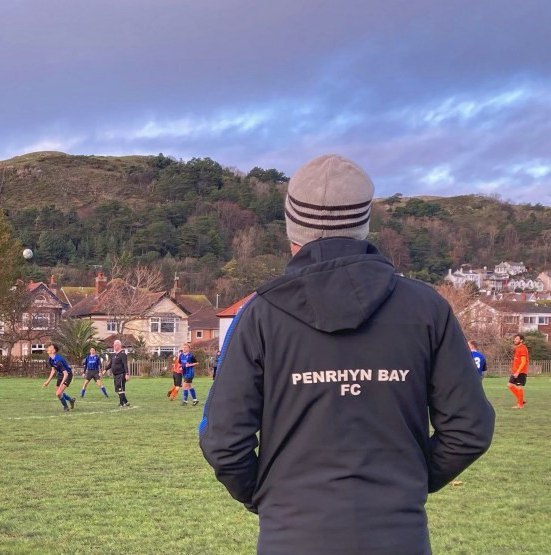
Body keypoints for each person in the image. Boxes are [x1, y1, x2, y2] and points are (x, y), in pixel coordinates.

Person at [199, 154, 495, 555]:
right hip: (399, 535)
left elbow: (222, 440)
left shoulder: (259, 314)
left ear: (292, 228)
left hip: (292, 535)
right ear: (364, 223)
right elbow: (469, 429)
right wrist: (405, 484)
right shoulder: (426, 307)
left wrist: (269, 496)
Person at [43, 343, 76, 411]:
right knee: (58, 392)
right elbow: (53, 370)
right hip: (61, 375)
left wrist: (61, 385)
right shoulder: (50, 359)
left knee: (58, 393)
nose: (48, 348)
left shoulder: (58, 360)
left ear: (54, 350)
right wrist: (47, 382)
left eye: (50, 347)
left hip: (68, 375)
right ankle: (70, 400)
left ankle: (65, 406)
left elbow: (66, 374)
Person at [107, 340, 130, 407]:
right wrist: (105, 370)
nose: (113, 346)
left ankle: (122, 403)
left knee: (120, 388)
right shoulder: (113, 355)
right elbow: (111, 364)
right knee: (118, 390)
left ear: (118, 345)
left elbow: (125, 364)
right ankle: (125, 401)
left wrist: (127, 374)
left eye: (115, 345)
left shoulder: (123, 354)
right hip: (115, 375)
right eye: (114, 345)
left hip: (121, 374)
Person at [509, 333, 529, 409]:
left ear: (521, 340)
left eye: (517, 339)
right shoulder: (517, 348)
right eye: (515, 338)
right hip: (515, 371)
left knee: (519, 387)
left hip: (520, 372)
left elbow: (523, 362)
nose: (515, 340)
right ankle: (521, 400)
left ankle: (520, 405)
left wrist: (518, 371)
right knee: (509, 385)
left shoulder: (523, 348)